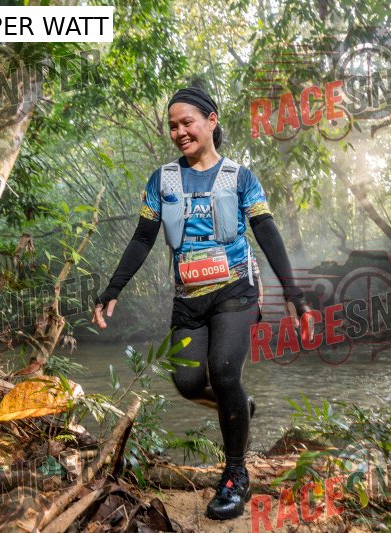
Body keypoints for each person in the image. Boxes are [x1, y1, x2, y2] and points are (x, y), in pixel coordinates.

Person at [92, 86, 311, 520]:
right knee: (189, 383)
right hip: (188, 298)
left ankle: (235, 476)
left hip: (236, 291)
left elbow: (266, 231)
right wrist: (113, 288)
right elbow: (142, 238)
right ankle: (240, 406)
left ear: (211, 121)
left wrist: (294, 293)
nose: (179, 132)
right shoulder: (162, 180)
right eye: (172, 126)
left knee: (225, 371)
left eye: (187, 122)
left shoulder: (240, 177)